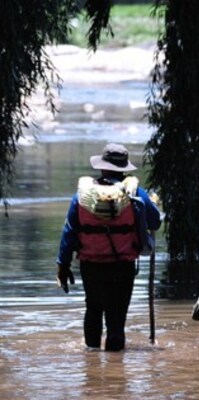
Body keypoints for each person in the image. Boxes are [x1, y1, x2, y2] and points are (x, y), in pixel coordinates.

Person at [56, 143, 162, 351]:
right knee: (117, 317)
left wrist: (62, 265)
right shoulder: (134, 193)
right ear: (124, 168)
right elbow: (155, 222)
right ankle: (116, 371)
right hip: (122, 266)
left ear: (101, 167)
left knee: (93, 309)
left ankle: (91, 362)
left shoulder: (83, 195)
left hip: (91, 265)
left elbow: (69, 232)